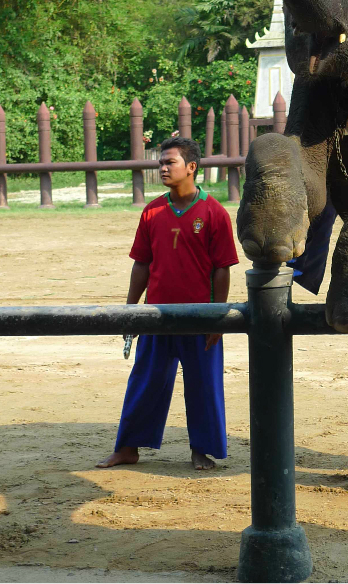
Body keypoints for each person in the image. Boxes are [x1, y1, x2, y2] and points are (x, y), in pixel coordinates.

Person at [96, 135, 239, 471]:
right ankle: (127, 448)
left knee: (203, 384)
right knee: (145, 381)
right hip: (156, 315)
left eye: (169, 162)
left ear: (191, 168)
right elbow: (142, 264)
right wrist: (130, 311)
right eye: (160, 162)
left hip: (199, 315)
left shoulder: (214, 213)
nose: (162, 167)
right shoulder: (152, 211)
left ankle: (201, 449)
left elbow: (222, 269)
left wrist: (217, 316)